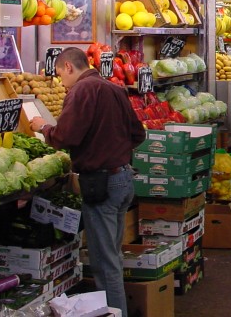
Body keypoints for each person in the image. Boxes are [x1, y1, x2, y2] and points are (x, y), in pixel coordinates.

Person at [29, 47, 145, 317]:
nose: (60, 81)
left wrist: (42, 127)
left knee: (106, 264)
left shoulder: (81, 91)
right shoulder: (114, 89)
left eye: (60, 75)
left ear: (69, 67)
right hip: (124, 179)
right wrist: (112, 148)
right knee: (112, 255)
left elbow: (65, 136)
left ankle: (116, 313)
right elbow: (138, 134)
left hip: (102, 185)